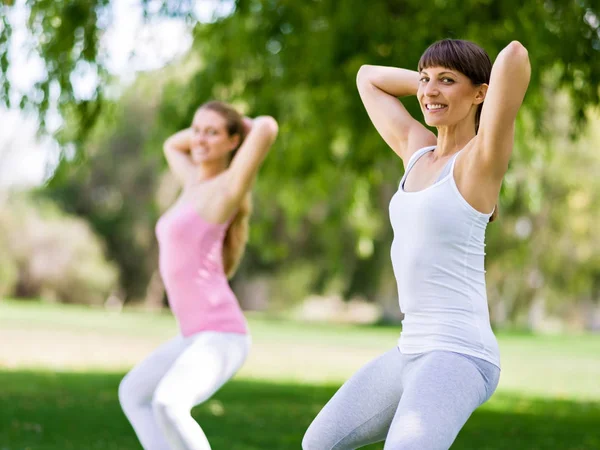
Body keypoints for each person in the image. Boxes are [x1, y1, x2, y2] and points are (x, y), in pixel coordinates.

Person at [303, 39, 530, 450]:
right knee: (318, 442)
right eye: (425, 79)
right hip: (409, 348)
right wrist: (432, 87)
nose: (429, 90)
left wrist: (466, 92)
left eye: (447, 80)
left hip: (459, 353)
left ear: (481, 92)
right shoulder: (415, 151)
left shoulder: (479, 161)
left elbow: (514, 54)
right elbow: (368, 78)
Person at [118, 100, 278, 449]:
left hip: (222, 334)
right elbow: (171, 144)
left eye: (213, 133)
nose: (200, 140)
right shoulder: (192, 180)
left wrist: (239, 124)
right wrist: (207, 131)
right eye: (197, 130)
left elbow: (266, 126)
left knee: (169, 404)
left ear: (234, 141)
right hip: (192, 334)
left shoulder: (227, 188)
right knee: (133, 392)